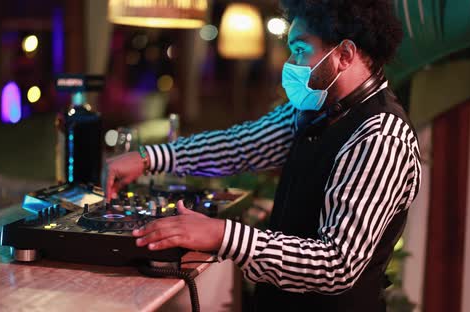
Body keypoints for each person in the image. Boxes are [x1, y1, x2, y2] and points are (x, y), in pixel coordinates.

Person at [102, 0, 421, 310]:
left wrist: (222, 234)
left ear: (344, 55)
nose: (291, 63)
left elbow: (336, 264)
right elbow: (241, 146)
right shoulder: (316, 109)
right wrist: (149, 157)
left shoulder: (380, 136)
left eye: (300, 50)